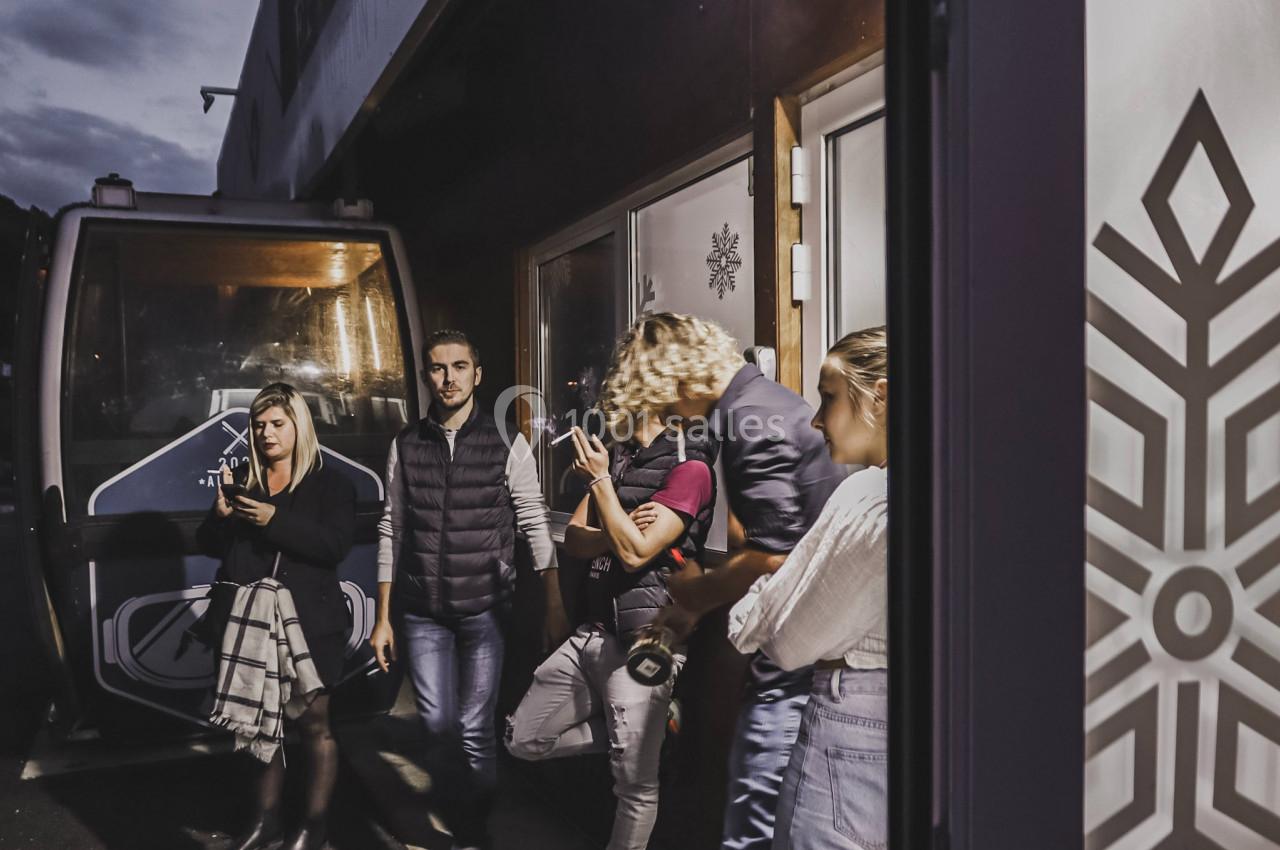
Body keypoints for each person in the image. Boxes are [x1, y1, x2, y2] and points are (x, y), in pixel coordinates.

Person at [625, 312, 844, 850]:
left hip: (800, 655)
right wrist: (696, 606)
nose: (670, 414)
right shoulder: (765, 400)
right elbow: (769, 539)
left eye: (664, 396)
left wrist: (695, 592)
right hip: (809, 644)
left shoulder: (750, 419)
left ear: (681, 377)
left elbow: (775, 555)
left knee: (754, 824)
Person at [505, 315, 718, 850]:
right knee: (521, 738)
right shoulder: (621, 457)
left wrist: (601, 486)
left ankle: (637, 741)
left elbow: (638, 549)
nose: (607, 394)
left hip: (645, 640)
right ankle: (638, 736)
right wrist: (612, 519)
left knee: (634, 786)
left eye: (621, 381)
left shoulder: (691, 469)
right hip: (591, 635)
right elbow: (576, 539)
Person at [368, 329, 564, 850]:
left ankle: (473, 831)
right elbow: (392, 527)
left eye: (459, 367)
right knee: (436, 727)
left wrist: (553, 600)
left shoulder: (506, 440)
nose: (448, 378)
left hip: (486, 610)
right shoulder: (407, 444)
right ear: (427, 376)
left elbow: (533, 520)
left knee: (476, 730)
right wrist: (383, 615)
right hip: (422, 612)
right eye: (438, 368)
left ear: (477, 374)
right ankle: (459, 816)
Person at [728, 326, 888, 850]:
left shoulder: (868, 495)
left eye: (829, 397)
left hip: (852, 721)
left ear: (880, 395)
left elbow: (785, 643)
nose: (817, 419)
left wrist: (762, 591)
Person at [197, 382, 356, 850]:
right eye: (260, 424)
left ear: (298, 426)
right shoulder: (246, 477)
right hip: (250, 623)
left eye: (277, 424)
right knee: (260, 724)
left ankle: (314, 826)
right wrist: (221, 516)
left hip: (310, 623)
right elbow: (210, 546)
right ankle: (265, 822)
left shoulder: (331, 483)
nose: (267, 433)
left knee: (315, 724)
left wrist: (274, 521)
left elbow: (334, 546)